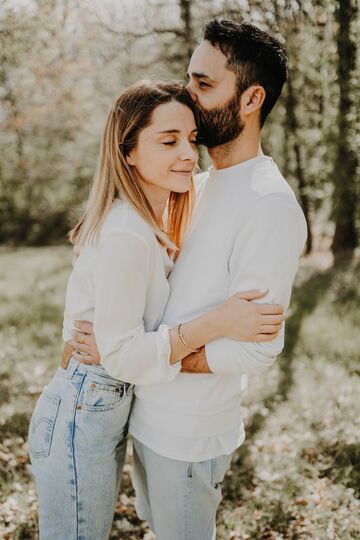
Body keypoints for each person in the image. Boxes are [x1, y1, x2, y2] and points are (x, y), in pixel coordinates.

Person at [72, 19, 308, 540]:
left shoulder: (268, 204)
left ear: (251, 99)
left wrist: (141, 358)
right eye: (190, 78)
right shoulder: (192, 185)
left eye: (204, 84)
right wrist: (108, 336)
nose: (188, 94)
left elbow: (257, 351)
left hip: (190, 435)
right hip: (146, 419)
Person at [28, 81, 284, 540]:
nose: (187, 153)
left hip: (101, 401)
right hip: (82, 408)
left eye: (190, 139)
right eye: (168, 141)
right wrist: (217, 321)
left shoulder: (150, 220)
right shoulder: (127, 231)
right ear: (127, 151)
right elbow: (121, 354)